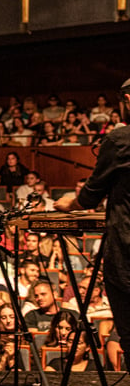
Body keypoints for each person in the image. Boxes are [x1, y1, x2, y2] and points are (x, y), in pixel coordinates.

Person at [56, 80, 130, 346]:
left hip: (126, 252)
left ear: (128, 101)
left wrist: (70, 203)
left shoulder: (120, 140)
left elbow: (91, 195)